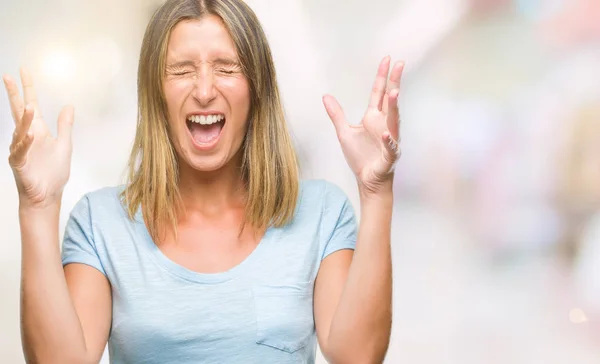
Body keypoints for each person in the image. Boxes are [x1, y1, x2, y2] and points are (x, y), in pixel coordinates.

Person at [4, 0, 403, 363]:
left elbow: (358, 355)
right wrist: (37, 207)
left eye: (227, 68)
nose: (205, 91)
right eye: (181, 70)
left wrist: (376, 191)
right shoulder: (99, 222)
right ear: (155, 94)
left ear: (257, 89)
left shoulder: (323, 213)